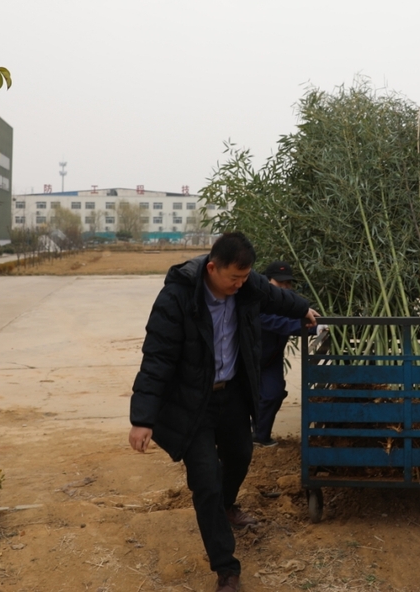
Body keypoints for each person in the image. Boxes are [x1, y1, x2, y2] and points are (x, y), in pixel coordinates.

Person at [129, 233, 318, 592]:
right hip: (192, 401)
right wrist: (142, 419)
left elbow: (276, 295)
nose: (239, 285)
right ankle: (226, 569)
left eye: (244, 278)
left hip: (230, 395)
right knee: (205, 480)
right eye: (233, 278)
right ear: (212, 268)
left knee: (241, 455)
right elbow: (157, 358)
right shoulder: (177, 298)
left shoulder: (247, 286)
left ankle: (227, 506)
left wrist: (303, 308)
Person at [253, 261, 319, 448]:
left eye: (288, 283)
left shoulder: (290, 302)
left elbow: (299, 314)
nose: (284, 287)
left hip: (271, 357)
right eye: (279, 282)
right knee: (239, 398)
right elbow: (276, 323)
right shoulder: (258, 299)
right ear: (267, 281)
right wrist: (311, 328)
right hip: (247, 357)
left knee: (273, 393)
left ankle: (259, 435)